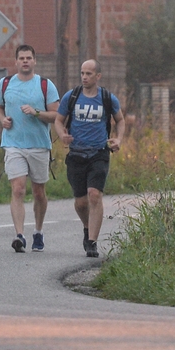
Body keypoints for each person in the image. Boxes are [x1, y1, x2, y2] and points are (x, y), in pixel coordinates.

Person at [54, 59, 125, 258]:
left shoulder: (107, 98)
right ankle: (87, 228)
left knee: (94, 194)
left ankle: (92, 241)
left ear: (98, 76)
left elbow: (120, 120)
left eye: (89, 74)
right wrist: (62, 135)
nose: (84, 77)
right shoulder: (72, 96)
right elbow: (58, 121)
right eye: (82, 73)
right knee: (81, 203)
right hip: (76, 154)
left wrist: (118, 139)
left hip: (99, 153)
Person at [0, 44, 59, 253]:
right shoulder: (5, 84)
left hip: (39, 145)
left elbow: (56, 115)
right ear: (15, 62)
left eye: (28, 58)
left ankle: (38, 231)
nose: (25, 61)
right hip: (13, 144)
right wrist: (3, 119)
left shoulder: (45, 85)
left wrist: (36, 112)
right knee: (18, 188)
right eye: (21, 58)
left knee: (39, 193)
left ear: (34, 61)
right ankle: (19, 235)